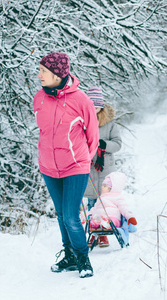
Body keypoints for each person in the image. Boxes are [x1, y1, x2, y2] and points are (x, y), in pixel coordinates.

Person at [33, 52, 99, 278]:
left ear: (57, 74)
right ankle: (70, 255)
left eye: (43, 71)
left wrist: (83, 161)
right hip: (49, 167)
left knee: (71, 216)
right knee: (61, 214)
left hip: (75, 167)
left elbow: (93, 136)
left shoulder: (81, 100)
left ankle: (83, 260)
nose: (39, 75)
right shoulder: (39, 98)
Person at [84, 86, 122, 211]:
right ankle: (93, 226)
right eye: (91, 107)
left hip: (105, 167)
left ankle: (108, 224)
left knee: (107, 201)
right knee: (92, 201)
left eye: (96, 107)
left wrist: (103, 144)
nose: (94, 110)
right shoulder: (82, 122)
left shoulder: (110, 124)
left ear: (101, 106)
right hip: (88, 166)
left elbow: (117, 144)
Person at [81, 172, 137, 247]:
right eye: (102, 185)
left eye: (105, 186)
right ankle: (98, 223)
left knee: (109, 220)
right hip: (100, 218)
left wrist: (130, 217)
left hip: (113, 220)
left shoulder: (117, 197)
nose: (102, 187)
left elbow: (124, 208)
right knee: (93, 220)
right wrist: (85, 216)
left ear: (111, 188)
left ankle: (105, 223)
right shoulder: (100, 198)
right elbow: (93, 209)